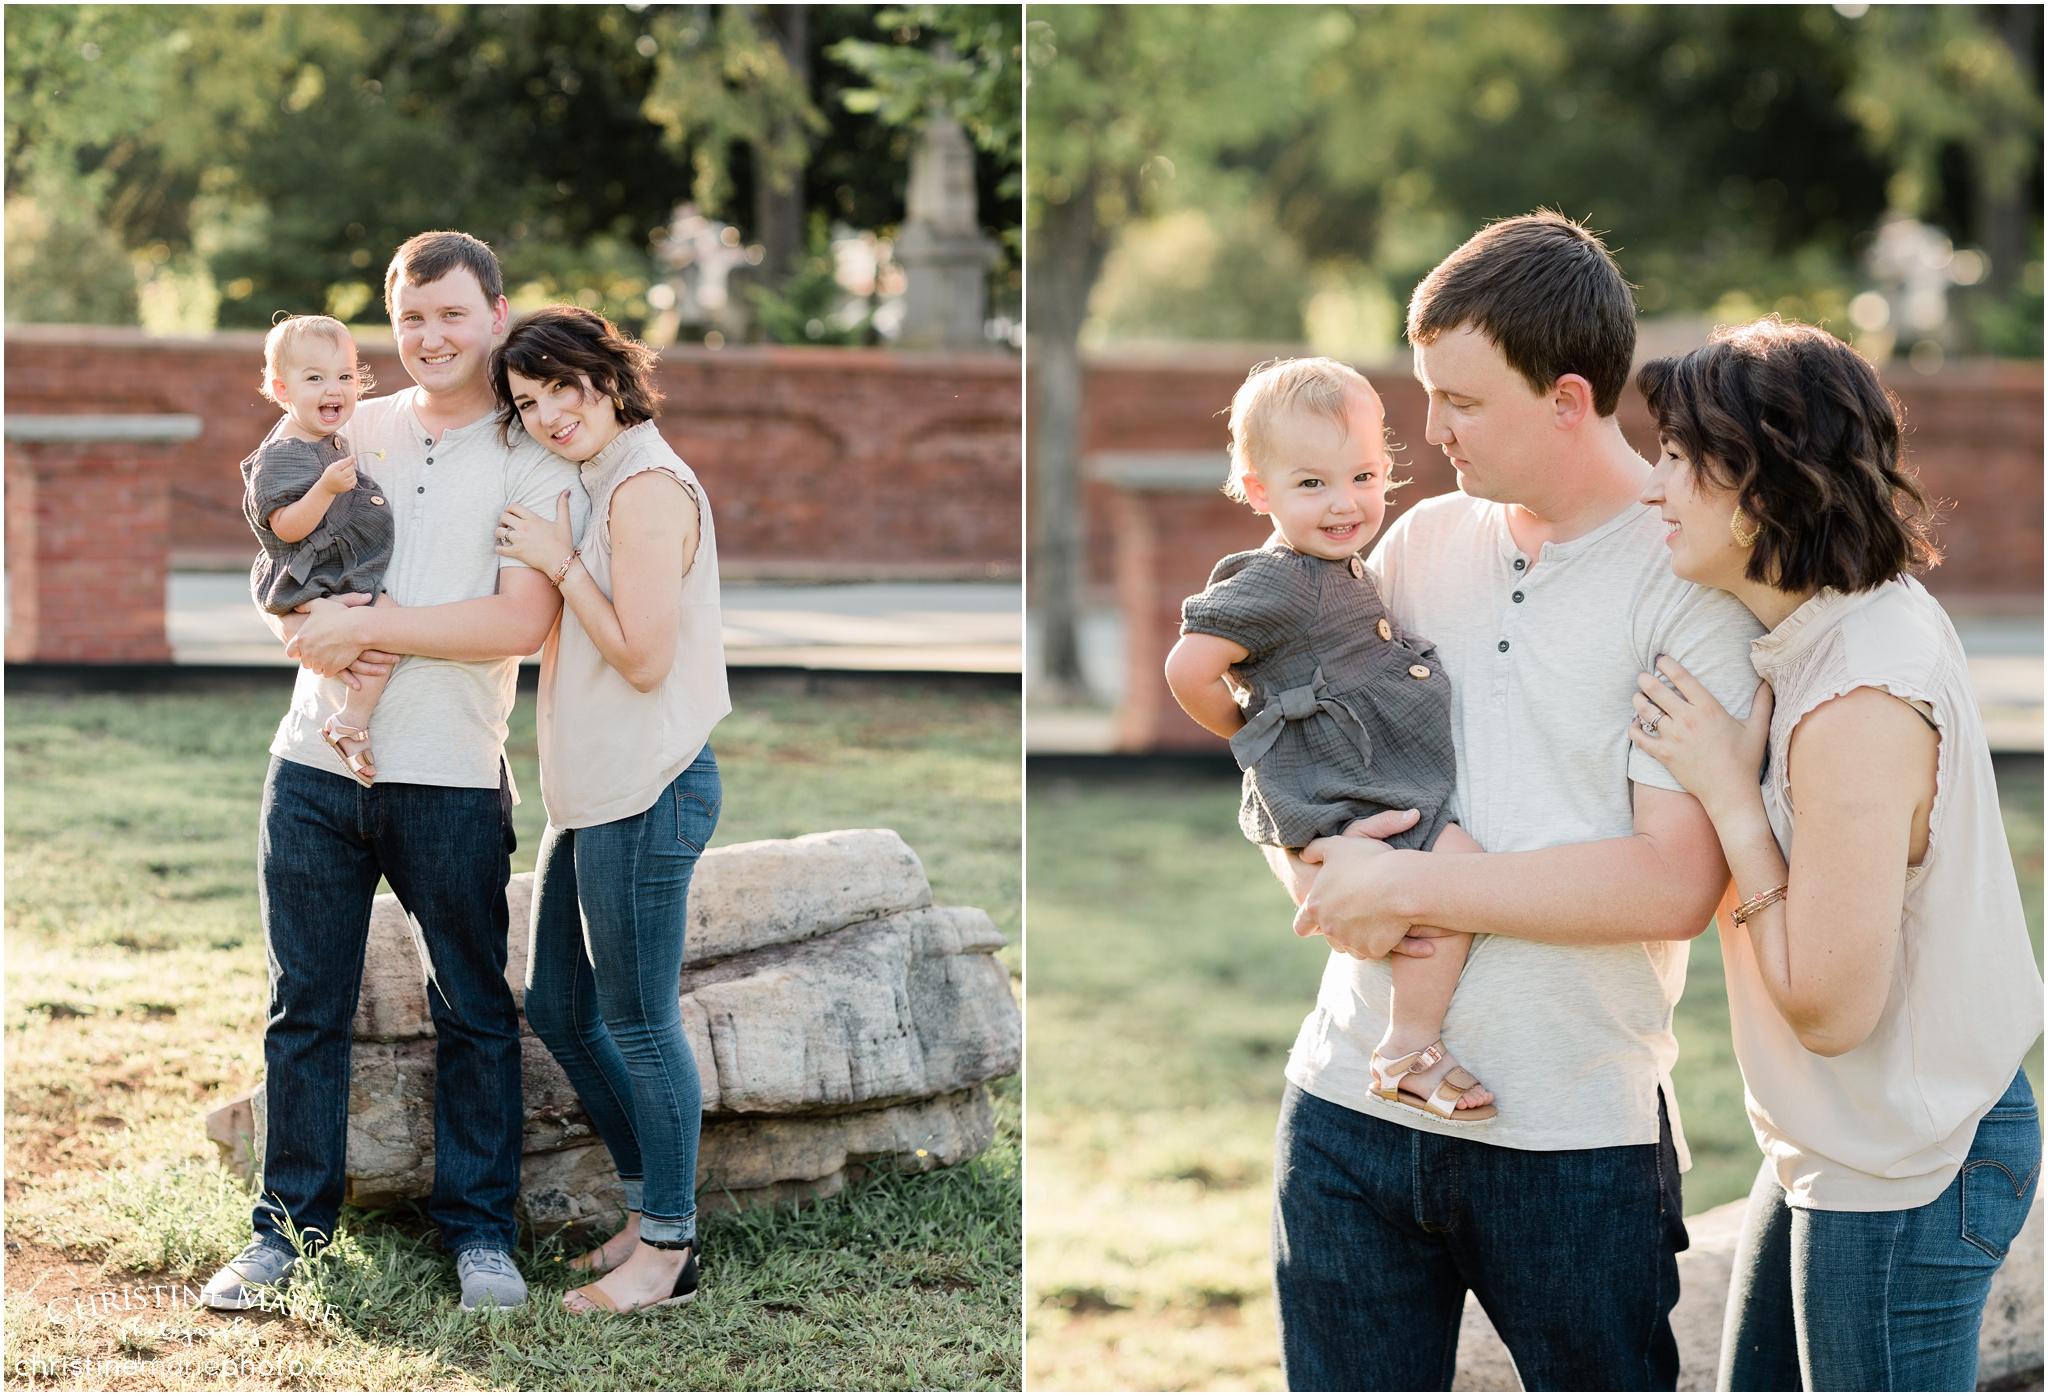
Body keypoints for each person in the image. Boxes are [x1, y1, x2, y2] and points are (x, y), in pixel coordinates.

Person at [1273, 213, 1764, 1392]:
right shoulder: (1416, 543)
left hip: (1569, 1139)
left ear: (1567, 397)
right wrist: (1313, 878)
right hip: (1347, 1106)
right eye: (1424, 394)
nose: (1426, 432)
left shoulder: (1686, 579)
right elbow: (1305, 757)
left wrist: (1413, 883)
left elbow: (1673, 882)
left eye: (1461, 401)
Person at [1624, 317, 2043, 1392]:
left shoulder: (1856, 695)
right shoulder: (1839, 623)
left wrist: (1726, 792)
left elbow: (1828, 1006)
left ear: (1761, 483)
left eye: (1676, 459)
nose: (1649, 487)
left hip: (1908, 1163)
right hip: (1846, 1139)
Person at [200, 231, 588, 1314]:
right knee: (303, 1008)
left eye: (451, 315)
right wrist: (301, 626)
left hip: (452, 773)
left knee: (471, 1007)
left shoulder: (533, 452)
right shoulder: (346, 421)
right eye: (411, 318)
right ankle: (286, 1232)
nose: (429, 337)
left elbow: (518, 618)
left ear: (496, 316)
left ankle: (478, 1234)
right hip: (312, 766)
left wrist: (377, 623)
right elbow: (272, 551)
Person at [1166, 356, 1493, 1122]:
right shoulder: (1277, 581)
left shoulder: (1342, 565)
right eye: (1311, 484)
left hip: (1364, 778)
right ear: (1260, 492)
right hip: (1339, 786)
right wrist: (1255, 733)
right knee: (1460, 877)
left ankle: (1405, 1039)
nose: (1344, 503)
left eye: (1363, 476)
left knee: (1440, 892)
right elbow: (1190, 667)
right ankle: (1407, 1047)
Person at [488, 305, 730, 1316]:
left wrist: (557, 562)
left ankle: (666, 1250)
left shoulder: (640, 486)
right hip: (593, 791)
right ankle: (647, 1207)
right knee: (558, 1005)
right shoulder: (595, 479)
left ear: (608, 376)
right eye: (527, 402)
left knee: (635, 1018)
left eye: (563, 389)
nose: (549, 415)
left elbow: (641, 655)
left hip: (648, 785)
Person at [240, 314, 395, 784]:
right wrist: (325, 489)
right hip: (314, 577)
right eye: (315, 378)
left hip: (331, 574)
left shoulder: (322, 438)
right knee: (382, 632)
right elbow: (285, 527)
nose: (335, 388)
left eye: (345, 376)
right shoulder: (283, 453)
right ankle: (350, 724)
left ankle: (350, 719)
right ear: (281, 389)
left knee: (382, 628)